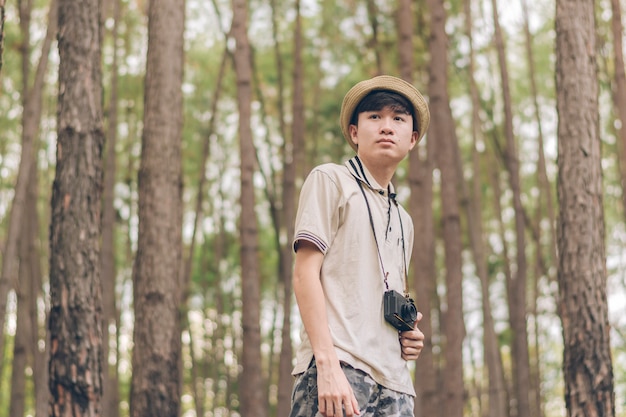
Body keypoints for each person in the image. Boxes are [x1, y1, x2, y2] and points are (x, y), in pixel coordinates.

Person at [289, 75, 430, 417]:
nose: (386, 127)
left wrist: (407, 335)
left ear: (411, 139)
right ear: (354, 132)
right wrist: (327, 365)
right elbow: (304, 273)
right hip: (340, 370)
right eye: (374, 117)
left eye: (398, 119)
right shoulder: (330, 180)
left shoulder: (403, 219)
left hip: (396, 386)